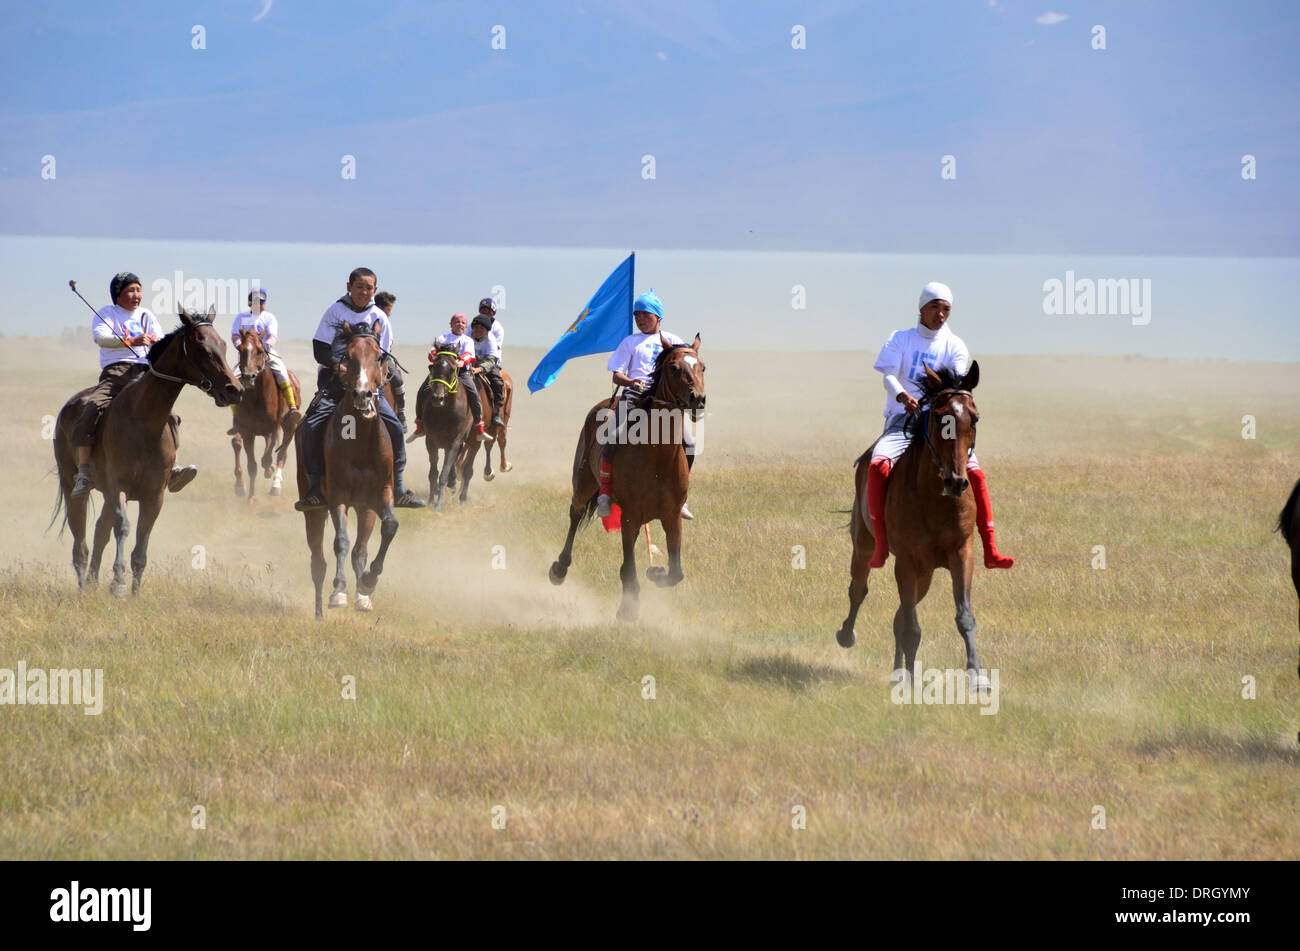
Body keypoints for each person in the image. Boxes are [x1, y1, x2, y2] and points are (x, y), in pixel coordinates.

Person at [866, 281, 1013, 569]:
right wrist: (902, 394)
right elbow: (888, 375)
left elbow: (955, 385)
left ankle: (991, 549)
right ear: (921, 308)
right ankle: (881, 546)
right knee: (877, 466)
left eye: (946, 309)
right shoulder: (900, 339)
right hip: (901, 419)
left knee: (977, 475)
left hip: (942, 424)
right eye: (935, 307)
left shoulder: (955, 345)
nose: (940, 314)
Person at [294, 267, 425, 511]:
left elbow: (383, 356)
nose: (364, 292)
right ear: (349, 287)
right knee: (310, 426)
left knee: (395, 427)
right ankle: (314, 490)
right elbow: (319, 347)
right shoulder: (335, 311)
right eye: (359, 287)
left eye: (369, 288)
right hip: (335, 382)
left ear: (375, 290)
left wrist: (374, 380)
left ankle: (398, 489)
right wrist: (338, 366)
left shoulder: (380, 317)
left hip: (369, 387)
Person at [69, 272, 198, 499]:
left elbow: (159, 340)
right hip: (115, 373)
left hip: (145, 373)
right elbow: (101, 338)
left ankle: (174, 467)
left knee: (171, 417)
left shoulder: (146, 315)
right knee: (91, 410)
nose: (136, 295)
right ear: (118, 294)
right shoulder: (107, 313)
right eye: (131, 290)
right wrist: (131, 341)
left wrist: (159, 342)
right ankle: (84, 472)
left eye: (138, 290)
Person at [595, 290, 695, 521]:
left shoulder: (674, 341)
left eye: (645, 314)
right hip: (635, 397)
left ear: (658, 316)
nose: (640, 319)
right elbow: (616, 376)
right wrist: (632, 381)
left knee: (689, 443)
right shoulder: (630, 342)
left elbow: (688, 367)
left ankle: (681, 497)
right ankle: (605, 493)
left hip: (665, 401)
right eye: (636, 315)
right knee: (612, 436)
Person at [227, 287, 300, 433]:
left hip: (266, 352)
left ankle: (292, 407)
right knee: (233, 379)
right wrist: (240, 347)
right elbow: (235, 335)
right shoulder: (241, 317)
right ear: (249, 303)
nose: (258, 304)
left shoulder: (269, 318)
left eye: (261, 301)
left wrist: (264, 348)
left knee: (282, 373)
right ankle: (237, 420)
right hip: (247, 355)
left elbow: (272, 335)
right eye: (255, 301)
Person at [413, 313, 492, 443]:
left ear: (466, 326)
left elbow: (469, 354)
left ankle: (478, 426)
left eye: (462, 323)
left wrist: (461, 362)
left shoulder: (467, 340)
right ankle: (420, 424)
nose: (459, 324)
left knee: (474, 394)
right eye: (457, 322)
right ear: (451, 324)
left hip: (461, 373)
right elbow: (432, 352)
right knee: (422, 390)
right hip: (441, 373)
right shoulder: (443, 338)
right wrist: (437, 359)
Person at [373, 291, 409, 433]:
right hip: (370, 357)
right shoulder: (370, 317)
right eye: (389, 309)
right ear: (381, 307)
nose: (390, 313)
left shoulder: (385, 321)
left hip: (384, 357)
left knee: (398, 379)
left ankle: (400, 413)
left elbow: (387, 345)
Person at [469, 314, 506, 429]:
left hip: (486, 365)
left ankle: (496, 413)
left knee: (498, 382)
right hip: (468, 363)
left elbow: (491, 360)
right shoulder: (466, 336)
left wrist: (479, 369)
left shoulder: (491, 339)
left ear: (487, 330)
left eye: (482, 328)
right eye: (476, 327)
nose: (478, 330)